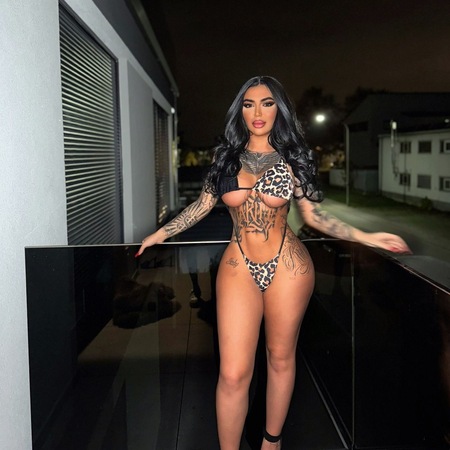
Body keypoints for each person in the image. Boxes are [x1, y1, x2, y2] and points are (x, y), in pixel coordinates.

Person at [136, 76, 410, 450]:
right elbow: (201, 206)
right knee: (233, 374)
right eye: (249, 104)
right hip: (238, 266)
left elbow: (314, 217)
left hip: (288, 267)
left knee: (280, 358)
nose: (258, 112)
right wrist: (161, 233)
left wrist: (367, 237)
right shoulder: (225, 158)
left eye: (267, 103)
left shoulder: (292, 156)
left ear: (279, 109)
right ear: (240, 111)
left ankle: (272, 442)